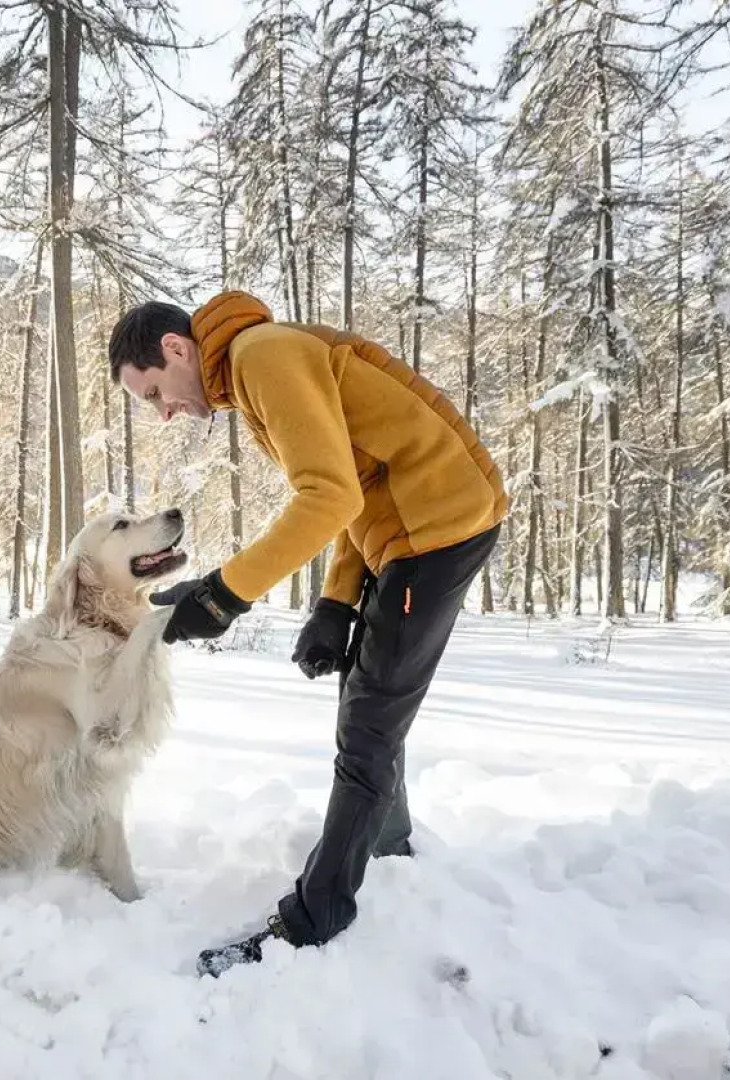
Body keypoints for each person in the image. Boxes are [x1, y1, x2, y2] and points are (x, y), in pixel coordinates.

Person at [107, 290, 507, 977]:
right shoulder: (257, 363)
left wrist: (223, 594)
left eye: (153, 394)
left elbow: (330, 496)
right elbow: (360, 481)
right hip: (411, 528)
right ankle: (387, 849)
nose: (165, 412)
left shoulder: (262, 357)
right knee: (366, 702)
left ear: (175, 350)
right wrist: (336, 602)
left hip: (437, 529)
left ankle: (315, 919)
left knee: (370, 725)